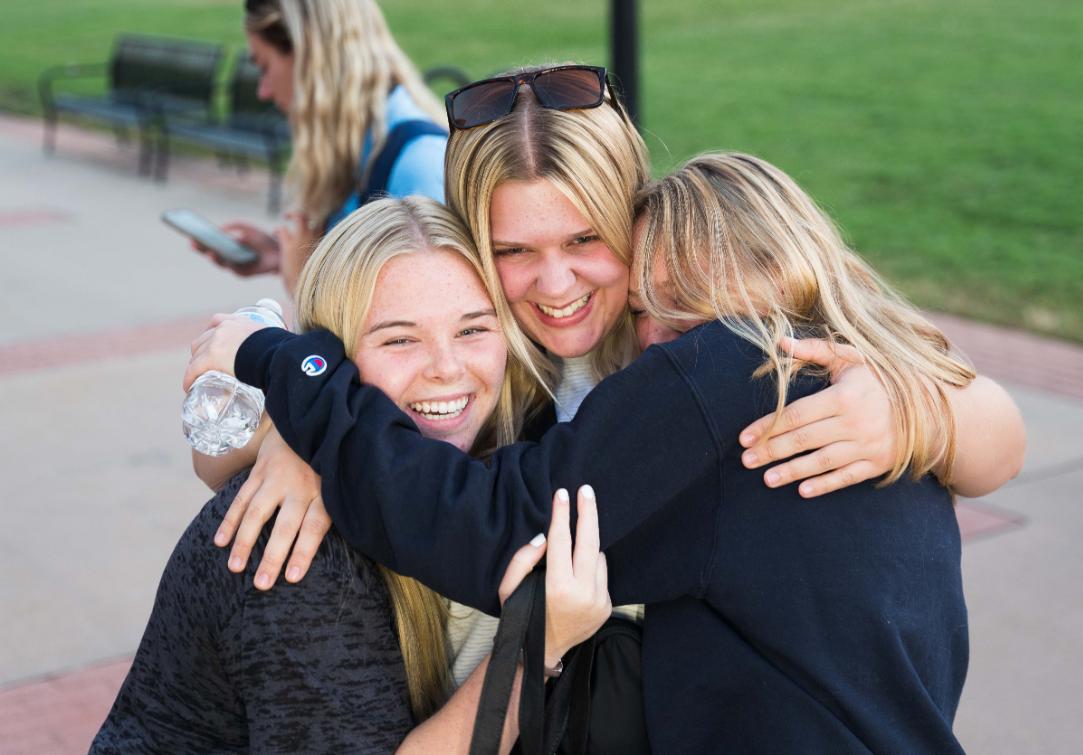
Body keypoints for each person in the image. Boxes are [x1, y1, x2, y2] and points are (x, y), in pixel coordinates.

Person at [188, 148, 1000, 751]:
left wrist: (280, 360)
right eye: (640, 305)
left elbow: (488, 523)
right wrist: (286, 438)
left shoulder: (724, 368)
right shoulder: (861, 380)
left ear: (738, 267)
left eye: (664, 299)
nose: (647, 339)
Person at [210, 64, 1024, 594]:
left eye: (584, 240)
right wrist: (294, 427)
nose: (556, 283)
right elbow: (217, 459)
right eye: (513, 251)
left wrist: (920, 413)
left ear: (631, 213)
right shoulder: (489, 359)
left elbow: (1001, 437)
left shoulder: (706, 336)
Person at [92, 197, 610, 753]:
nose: (446, 368)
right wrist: (535, 644)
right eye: (399, 339)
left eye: (472, 330)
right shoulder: (300, 548)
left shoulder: (506, 458)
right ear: (333, 358)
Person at [192, 0, 448, 296]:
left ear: (309, 58)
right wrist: (282, 256)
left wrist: (303, 284)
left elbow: (423, 328)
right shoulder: (362, 145)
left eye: (264, 66)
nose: (263, 91)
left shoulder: (416, 162)